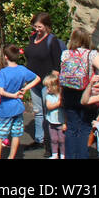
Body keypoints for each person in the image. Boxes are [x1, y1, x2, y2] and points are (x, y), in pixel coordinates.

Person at [59, 27, 99, 160]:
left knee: (71, 128)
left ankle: (69, 156)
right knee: (84, 128)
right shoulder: (92, 54)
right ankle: (82, 156)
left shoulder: (66, 54)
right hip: (86, 94)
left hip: (69, 93)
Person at [23, 12, 65, 154]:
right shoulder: (32, 38)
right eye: (35, 26)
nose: (37, 29)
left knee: (49, 112)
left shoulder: (52, 41)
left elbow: (57, 66)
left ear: (47, 26)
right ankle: (39, 139)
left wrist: (53, 83)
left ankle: (51, 143)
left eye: (40, 27)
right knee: (38, 112)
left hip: (46, 82)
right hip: (34, 80)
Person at [0, 45, 41, 159]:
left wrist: (13, 95)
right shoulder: (22, 70)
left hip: (5, 108)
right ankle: (11, 157)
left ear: (6, 57)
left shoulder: (3, 72)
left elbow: (2, 92)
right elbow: (37, 78)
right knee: (16, 133)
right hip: (18, 107)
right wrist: (25, 88)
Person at [42, 72, 67, 159]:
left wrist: (65, 123)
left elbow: (65, 111)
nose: (46, 89)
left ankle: (63, 155)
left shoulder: (61, 96)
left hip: (60, 121)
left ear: (54, 86)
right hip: (51, 122)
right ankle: (54, 154)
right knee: (53, 139)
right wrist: (59, 103)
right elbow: (49, 106)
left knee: (62, 140)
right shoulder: (49, 96)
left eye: (48, 87)